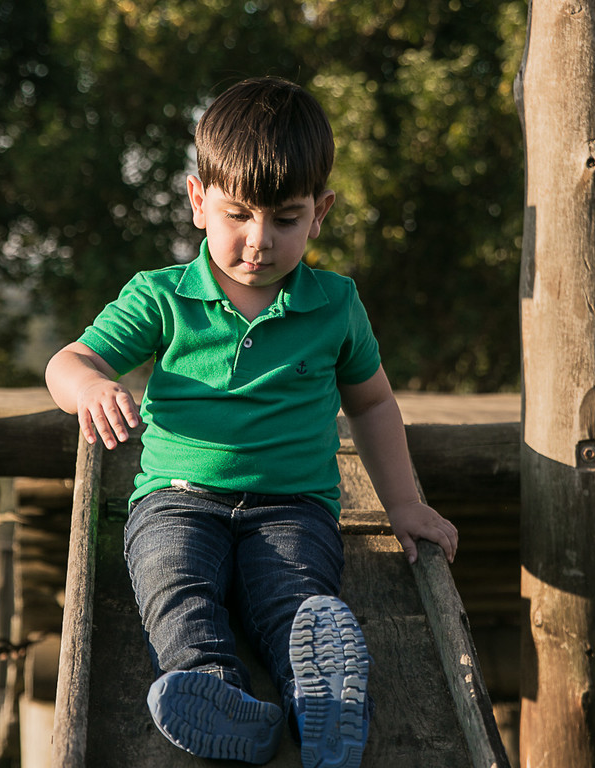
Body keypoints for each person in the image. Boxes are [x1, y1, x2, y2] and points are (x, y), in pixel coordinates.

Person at [45, 76, 459, 768]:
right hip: (178, 498)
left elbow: (373, 404)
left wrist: (405, 504)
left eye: (286, 219)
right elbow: (69, 361)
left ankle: (320, 704)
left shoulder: (335, 305)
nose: (259, 240)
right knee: (174, 583)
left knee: (295, 599)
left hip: (292, 505)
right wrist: (89, 385)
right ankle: (210, 688)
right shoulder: (162, 297)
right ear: (197, 200)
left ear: (320, 213)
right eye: (238, 214)